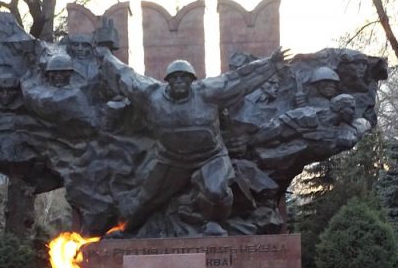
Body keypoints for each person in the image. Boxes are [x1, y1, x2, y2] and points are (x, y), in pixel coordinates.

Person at [99, 49, 286, 236]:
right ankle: (126, 230)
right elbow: (126, 76)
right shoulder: (151, 95)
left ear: (191, 80)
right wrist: (106, 56)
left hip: (211, 156)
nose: (179, 81)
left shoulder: (208, 92)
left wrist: (269, 65)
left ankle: (214, 223)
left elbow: (237, 80)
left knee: (216, 190)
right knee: (147, 198)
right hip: (171, 159)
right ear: (168, 81)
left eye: (184, 77)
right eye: (175, 77)